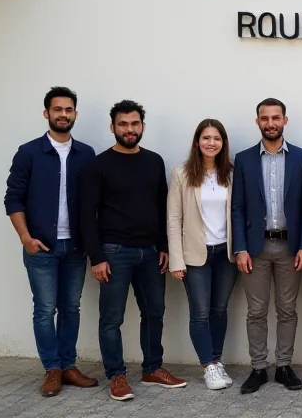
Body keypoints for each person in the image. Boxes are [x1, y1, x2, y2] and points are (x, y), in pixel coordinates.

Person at [80, 99, 187, 401]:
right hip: (114, 252)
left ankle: (153, 368)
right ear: (112, 127)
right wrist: (97, 256)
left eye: (135, 123)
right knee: (111, 318)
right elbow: (87, 215)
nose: (130, 129)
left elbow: (162, 206)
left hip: (151, 253)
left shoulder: (154, 161)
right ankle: (116, 375)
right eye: (123, 124)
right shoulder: (98, 165)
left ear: (142, 126)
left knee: (155, 312)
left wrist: (165, 246)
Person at [4, 87, 98, 397]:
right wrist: (25, 238)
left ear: (75, 114)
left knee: (71, 307)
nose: (63, 114)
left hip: (74, 246)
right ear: (46, 113)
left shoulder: (86, 154)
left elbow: (93, 202)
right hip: (40, 246)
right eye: (57, 109)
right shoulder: (29, 152)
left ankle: (69, 366)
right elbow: (13, 198)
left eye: (68, 109)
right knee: (45, 310)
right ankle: (52, 369)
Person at [231, 98, 302, 394]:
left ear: (285, 120)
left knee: (287, 309)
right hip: (255, 248)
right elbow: (238, 207)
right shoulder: (243, 159)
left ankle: (283, 366)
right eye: (264, 118)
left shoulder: (301, 158)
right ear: (257, 122)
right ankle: (258, 369)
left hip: (290, 248)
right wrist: (240, 248)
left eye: (275, 118)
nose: (270, 123)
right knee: (256, 310)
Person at [166, 119, 238, 390]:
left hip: (225, 253)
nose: (211, 142)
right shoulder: (182, 174)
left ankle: (217, 361)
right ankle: (207, 365)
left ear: (223, 143)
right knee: (200, 312)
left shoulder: (231, 174)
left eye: (216, 138)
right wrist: (176, 259)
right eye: (206, 137)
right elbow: (173, 219)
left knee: (219, 309)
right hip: (195, 255)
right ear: (197, 142)